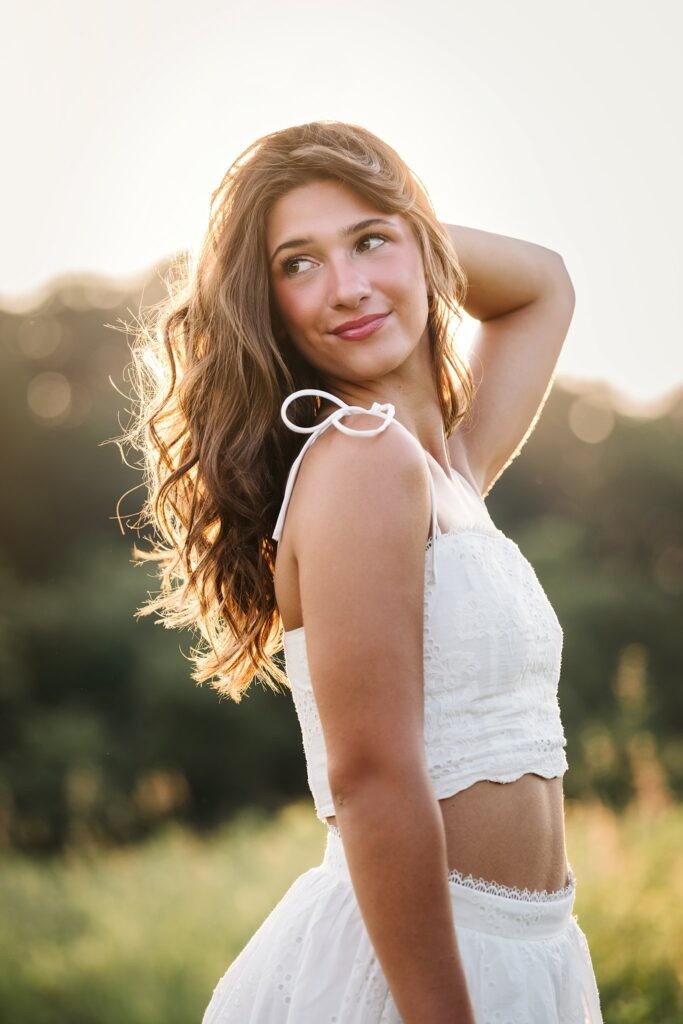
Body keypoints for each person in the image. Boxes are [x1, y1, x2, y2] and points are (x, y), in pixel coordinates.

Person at [124, 120, 604, 1021]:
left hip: (527, 950)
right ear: (262, 304)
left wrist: (406, 232)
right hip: (417, 973)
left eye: (367, 242)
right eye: (295, 265)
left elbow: (544, 283)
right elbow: (371, 780)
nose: (345, 290)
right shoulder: (361, 459)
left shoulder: (448, 468)